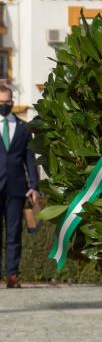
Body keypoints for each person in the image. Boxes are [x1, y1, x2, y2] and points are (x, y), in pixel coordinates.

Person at [0, 85, 39, 288]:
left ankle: (12, 275)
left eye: (8, 102)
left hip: (16, 188)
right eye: (1, 102)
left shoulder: (24, 128)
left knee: (14, 234)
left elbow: (29, 159)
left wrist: (34, 185)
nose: (5, 105)